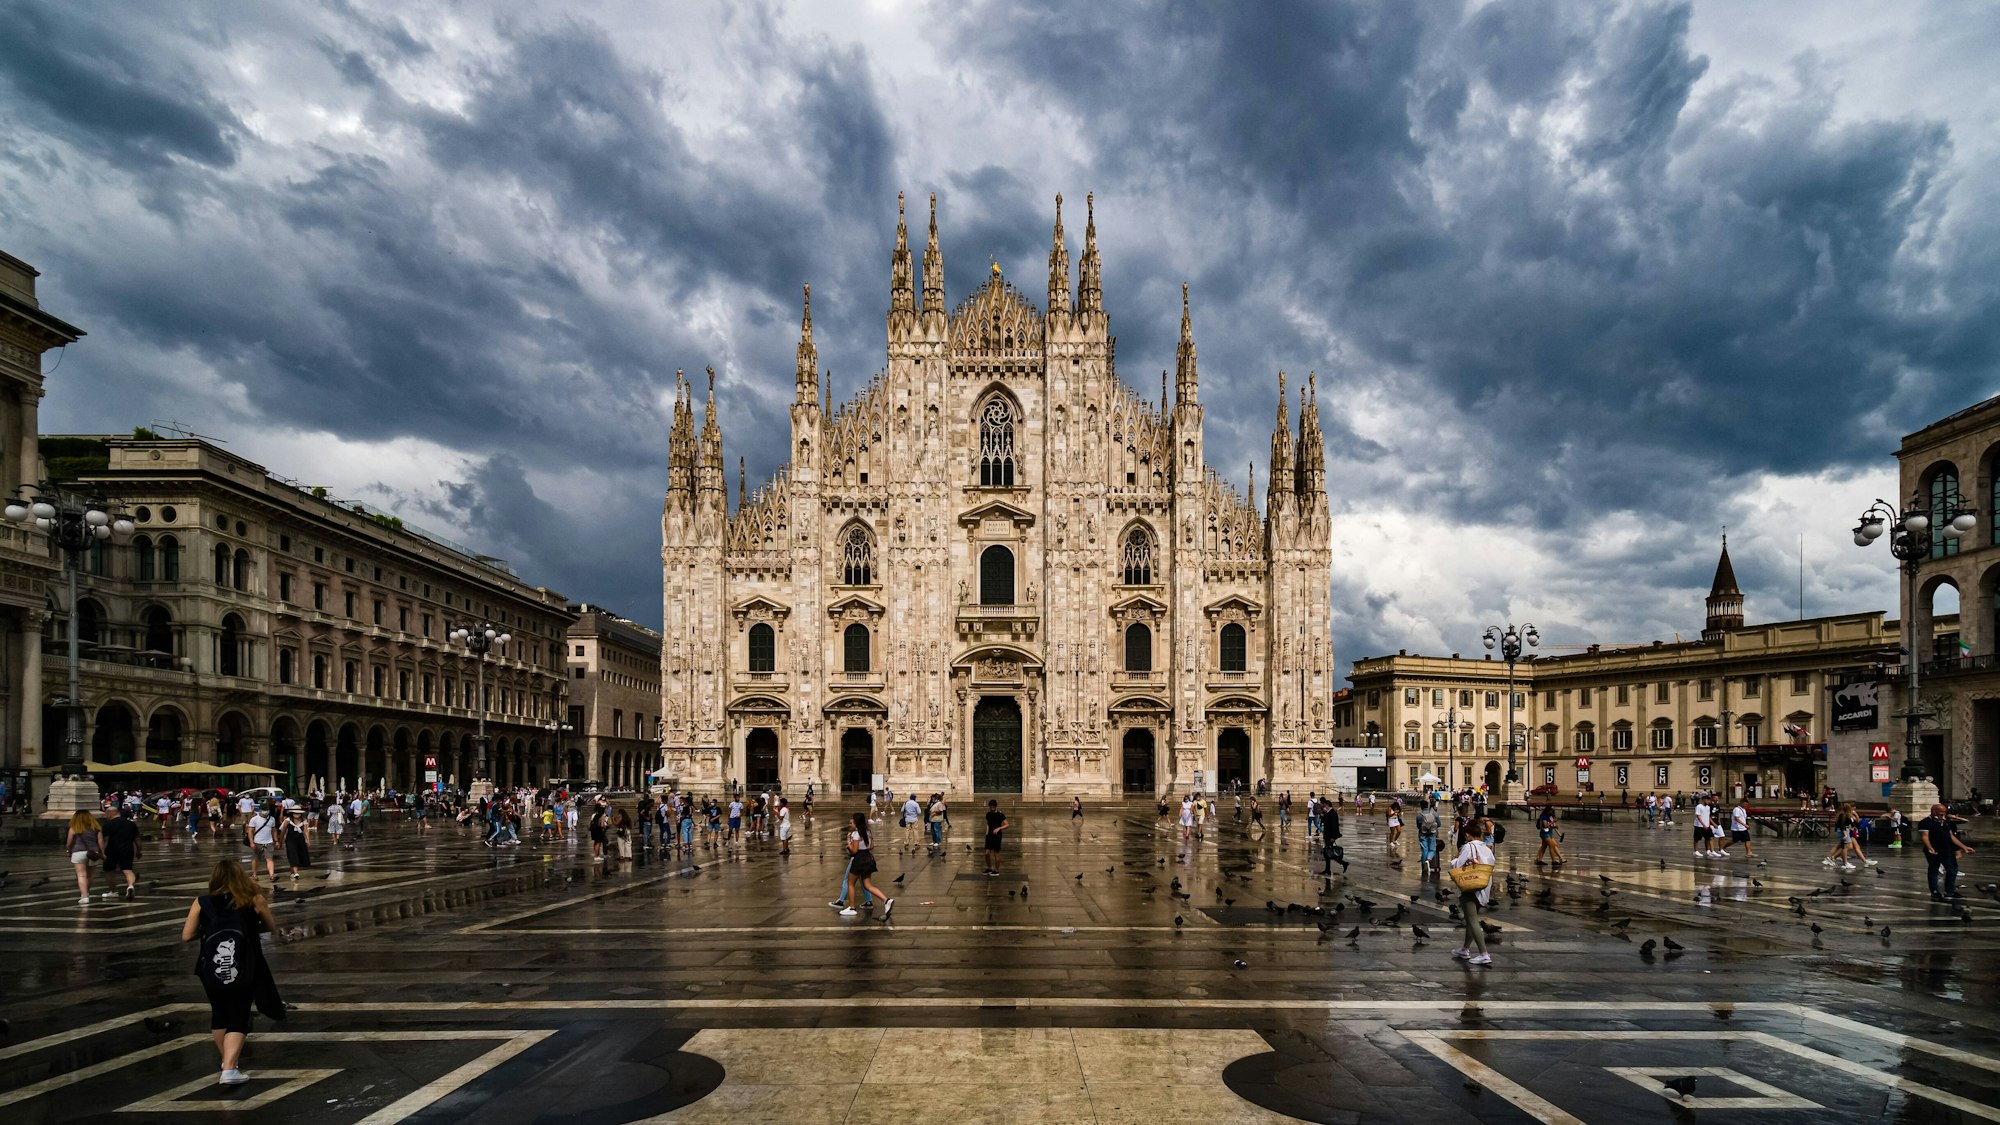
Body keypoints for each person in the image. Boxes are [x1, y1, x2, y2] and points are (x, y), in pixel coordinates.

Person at [181, 859, 283, 1085]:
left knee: (219, 1013)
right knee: (239, 1013)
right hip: (246, 963)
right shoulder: (254, 899)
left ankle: (229, 1063)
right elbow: (269, 927)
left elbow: (187, 935)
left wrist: (209, 931)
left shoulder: (201, 902)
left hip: (211, 966)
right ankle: (229, 1068)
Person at [1450, 817, 1497, 967]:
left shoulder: (1468, 847)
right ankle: (1465, 949)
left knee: (1472, 920)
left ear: (1468, 834)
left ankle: (1484, 954)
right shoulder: (1486, 848)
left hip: (1470, 886)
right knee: (1472, 918)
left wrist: (1454, 860)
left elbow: (1459, 864)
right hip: (1483, 885)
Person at [1919, 803, 1974, 900]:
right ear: (1933, 812)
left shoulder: (1945, 822)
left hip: (1947, 850)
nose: (1943, 815)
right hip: (1934, 850)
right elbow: (1924, 836)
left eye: (1944, 812)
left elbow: (1951, 837)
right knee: (1933, 871)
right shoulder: (1925, 822)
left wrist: (1964, 847)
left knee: (1952, 870)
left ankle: (1949, 891)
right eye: (1940, 813)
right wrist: (1929, 847)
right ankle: (1935, 892)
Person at [843, 812, 890, 919]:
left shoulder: (856, 834)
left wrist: (849, 843)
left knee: (850, 883)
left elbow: (854, 851)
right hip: (868, 858)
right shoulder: (868, 832)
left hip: (859, 859)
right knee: (868, 885)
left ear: (856, 822)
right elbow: (871, 846)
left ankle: (851, 908)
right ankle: (886, 900)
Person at [102, 803, 142, 898]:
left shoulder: (107, 825)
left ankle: (112, 891)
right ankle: (130, 886)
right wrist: (139, 851)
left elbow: (106, 840)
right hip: (127, 849)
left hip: (111, 850)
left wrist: (102, 852)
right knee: (128, 870)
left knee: (110, 871)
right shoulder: (131, 824)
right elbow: (137, 839)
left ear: (110, 814)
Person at [65, 810, 103, 906]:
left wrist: (69, 850)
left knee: (81, 875)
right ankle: (85, 893)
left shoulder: (74, 828)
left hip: (78, 852)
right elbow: (100, 842)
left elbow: (69, 843)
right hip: (93, 853)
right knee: (89, 876)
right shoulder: (96, 828)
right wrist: (102, 853)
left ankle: (85, 896)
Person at [244, 804, 279, 882]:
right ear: (260, 810)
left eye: (267, 810)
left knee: (269, 858)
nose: (266, 812)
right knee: (255, 859)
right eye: (264, 810)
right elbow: (250, 832)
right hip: (257, 842)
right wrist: (251, 843)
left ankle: (272, 875)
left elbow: (274, 830)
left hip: (269, 842)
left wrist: (276, 841)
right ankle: (254, 874)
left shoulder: (272, 819)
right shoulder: (254, 819)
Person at [1415, 798, 1442, 879]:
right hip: (1432, 834)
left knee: (1424, 849)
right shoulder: (1434, 814)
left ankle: (1424, 866)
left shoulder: (1419, 815)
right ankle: (1429, 860)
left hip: (1423, 834)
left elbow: (1418, 826)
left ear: (1421, 807)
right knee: (1432, 849)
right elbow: (1439, 824)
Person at [983, 798, 1009, 876]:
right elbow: (988, 823)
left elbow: (1007, 824)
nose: (992, 809)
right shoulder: (988, 814)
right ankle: (989, 868)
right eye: (990, 807)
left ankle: (996, 870)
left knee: (996, 853)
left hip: (997, 836)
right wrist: (986, 833)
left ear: (996, 806)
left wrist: (999, 828)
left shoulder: (1000, 815)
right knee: (986, 853)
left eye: (993, 807)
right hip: (989, 835)